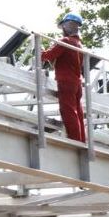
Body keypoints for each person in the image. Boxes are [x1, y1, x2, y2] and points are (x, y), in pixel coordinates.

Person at [41, 13, 86, 142]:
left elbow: (48, 55)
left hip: (66, 81)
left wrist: (40, 52)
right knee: (78, 111)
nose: (63, 30)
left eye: (64, 26)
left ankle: (75, 140)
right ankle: (81, 139)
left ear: (68, 25)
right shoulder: (78, 44)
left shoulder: (65, 42)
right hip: (77, 83)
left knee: (68, 111)